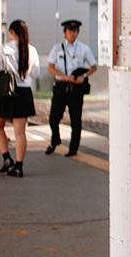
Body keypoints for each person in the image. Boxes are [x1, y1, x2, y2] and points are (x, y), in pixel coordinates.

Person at [0, 20, 40, 177]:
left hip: (6, 92)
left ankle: (6, 158)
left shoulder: (3, 49)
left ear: (11, 32)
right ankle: (19, 166)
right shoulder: (31, 50)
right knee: (20, 132)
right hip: (24, 92)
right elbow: (35, 74)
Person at [45, 20, 97, 157]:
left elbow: (93, 65)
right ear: (65, 32)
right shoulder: (57, 48)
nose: (73, 33)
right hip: (61, 86)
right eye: (70, 31)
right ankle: (55, 140)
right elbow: (50, 67)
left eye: (75, 31)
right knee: (53, 117)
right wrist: (64, 76)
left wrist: (84, 75)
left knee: (75, 119)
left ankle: (74, 148)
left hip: (76, 88)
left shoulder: (83, 48)